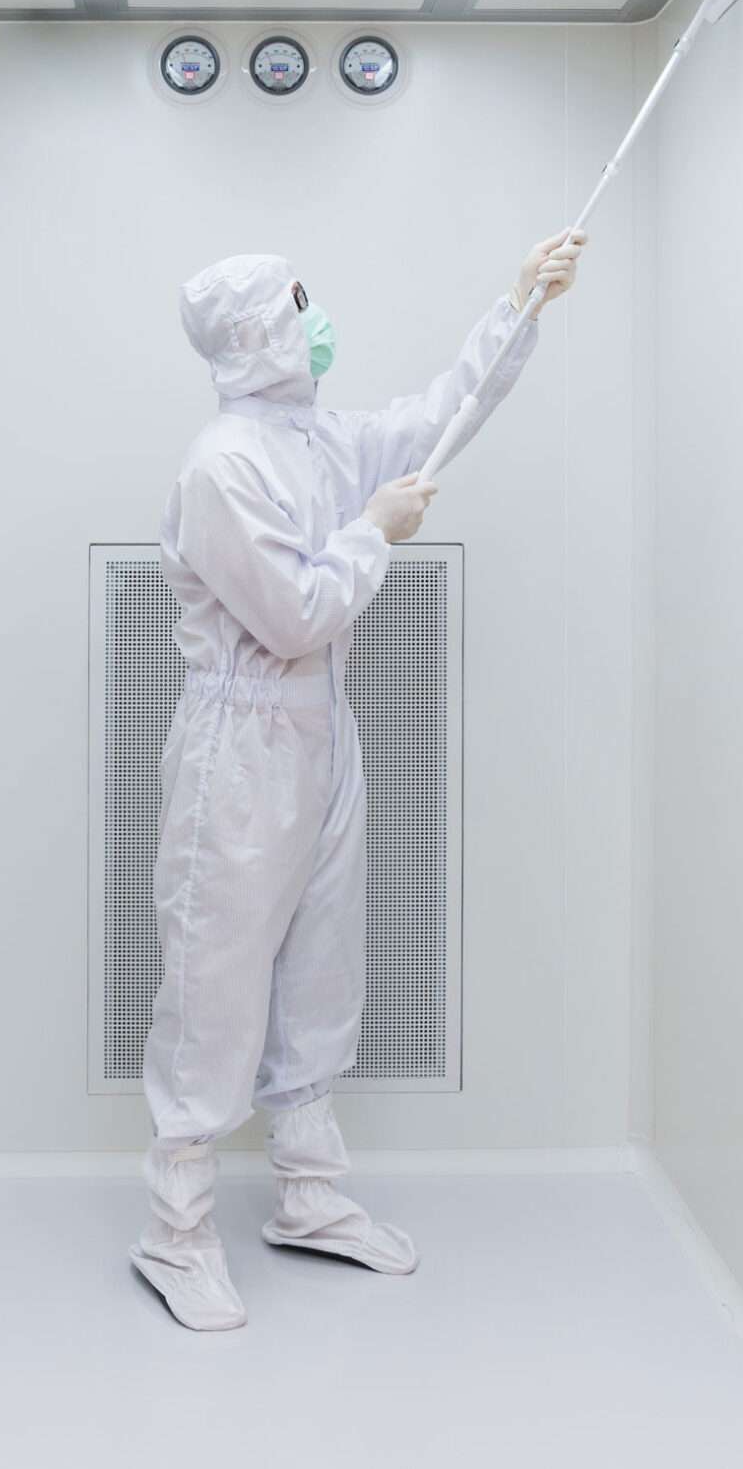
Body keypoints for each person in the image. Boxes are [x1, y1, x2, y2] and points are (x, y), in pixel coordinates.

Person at [132, 230, 587, 1331]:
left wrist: (518, 302)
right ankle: (176, 1231)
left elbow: (440, 416)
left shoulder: (311, 438)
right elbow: (290, 614)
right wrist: (375, 536)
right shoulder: (221, 463)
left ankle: (308, 1194)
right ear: (260, 333)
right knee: (216, 984)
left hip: (321, 733)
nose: (317, 315)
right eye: (300, 301)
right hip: (240, 751)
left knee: (320, 968)